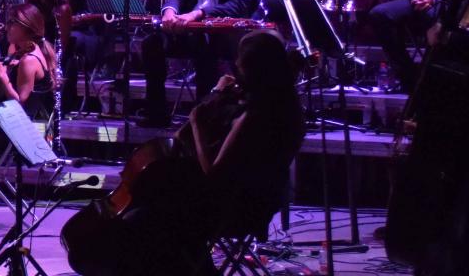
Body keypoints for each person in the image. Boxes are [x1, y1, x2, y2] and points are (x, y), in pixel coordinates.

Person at [66, 31, 304, 276]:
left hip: (236, 209)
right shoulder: (282, 105)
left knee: (146, 222)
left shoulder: (254, 117)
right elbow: (185, 139)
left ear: (255, 72)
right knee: (152, 211)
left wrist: (199, 124)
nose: (237, 72)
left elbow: (214, 175)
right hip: (255, 200)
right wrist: (217, 98)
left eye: (240, 66)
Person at [0, 3, 57, 119]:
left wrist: (3, 76)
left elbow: (20, 106)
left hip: (24, 125)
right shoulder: (36, 50)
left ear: (26, 27)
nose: (6, 28)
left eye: (11, 23)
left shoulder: (28, 60)